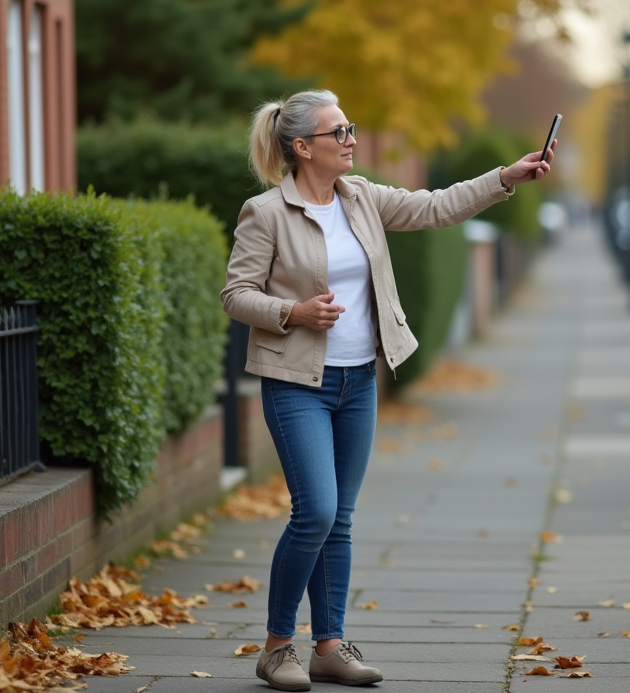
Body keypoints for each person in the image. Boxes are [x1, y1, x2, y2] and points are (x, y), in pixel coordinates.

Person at [222, 89, 553, 691]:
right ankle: (276, 647)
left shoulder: (362, 198)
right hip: (298, 383)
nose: (350, 139)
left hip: (359, 379)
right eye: (338, 132)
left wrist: (507, 176)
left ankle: (328, 645)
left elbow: (435, 207)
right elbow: (236, 294)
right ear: (302, 147)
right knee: (315, 511)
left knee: (340, 519)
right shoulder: (265, 212)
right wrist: (293, 312)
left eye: (350, 128)